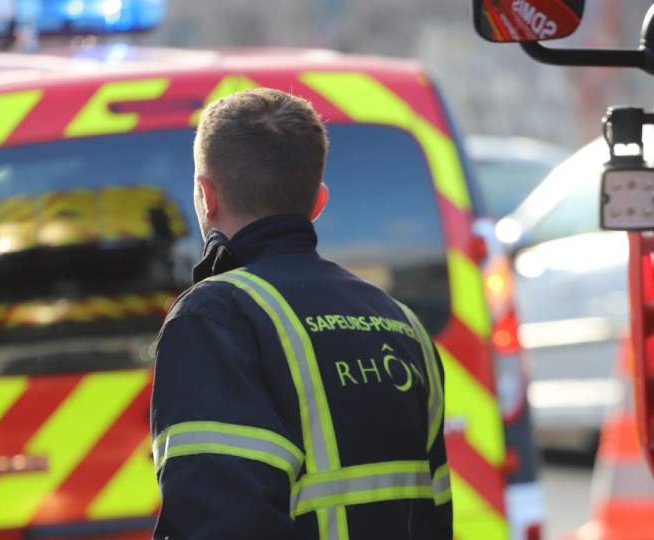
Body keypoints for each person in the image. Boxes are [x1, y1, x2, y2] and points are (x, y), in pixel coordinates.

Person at [150, 88, 453, 539]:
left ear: (205, 196)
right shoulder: (401, 323)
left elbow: (218, 525)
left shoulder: (217, 316)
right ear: (318, 203)